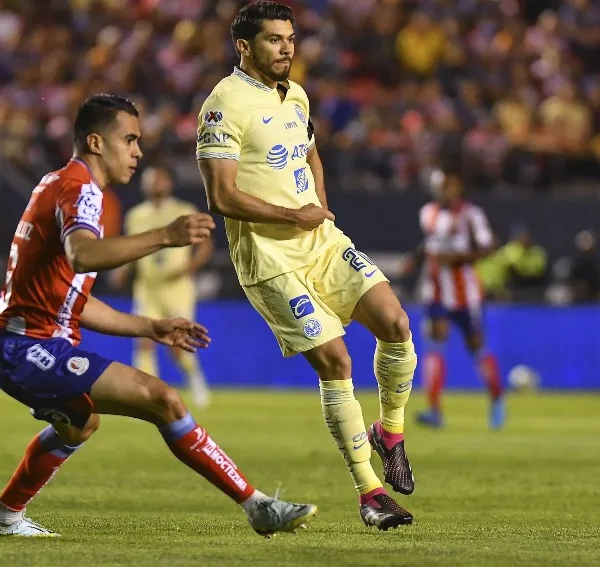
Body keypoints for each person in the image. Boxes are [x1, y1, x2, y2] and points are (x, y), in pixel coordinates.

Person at [0, 94, 316, 538]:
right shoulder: (79, 188)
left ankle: (3, 515)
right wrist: (165, 235)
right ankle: (258, 506)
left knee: (80, 424)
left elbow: (73, 301)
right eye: (130, 140)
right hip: (25, 346)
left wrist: (151, 327)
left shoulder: (62, 184)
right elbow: (83, 256)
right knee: (162, 399)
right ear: (96, 142)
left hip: (25, 341)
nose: (137, 151)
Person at [196, 2, 416, 531]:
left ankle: (390, 433)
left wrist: (319, 205)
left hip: (321, 242)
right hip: (270, 259)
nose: (287, 48)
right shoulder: (223, 105)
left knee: (396, 322)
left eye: (290, 38)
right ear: (244, 46)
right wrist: (294, 214)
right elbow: (221, 196)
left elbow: (311, 153)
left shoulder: (295, 94)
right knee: (336, 362)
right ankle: (370, 494)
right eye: (274, 39)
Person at [401, 168, 505, 429]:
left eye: (450, 186)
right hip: (436, 291)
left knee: (477, 347)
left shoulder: (471, 214)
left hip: (466, 294)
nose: (446, 191)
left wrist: (458, 258)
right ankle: (434, 410)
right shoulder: (428, 212)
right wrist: (415, 260)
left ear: (458, 187)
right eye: (442, 186)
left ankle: (496, 400)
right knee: (435, 344)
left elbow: (488, 247)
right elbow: (429, 243)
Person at [113, 165, 213, 407]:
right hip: (147, 287)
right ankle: (147, 395)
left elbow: (205, 245)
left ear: (169, 183)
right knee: (144, 339)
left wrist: (190, 267)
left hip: (176, 287)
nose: (154, 184)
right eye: (149, 180)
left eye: (158, 179)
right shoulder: (136, 215)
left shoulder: (184, 210)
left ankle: (194, 377)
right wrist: (123, 270)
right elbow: (132, 249)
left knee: (177, 342)